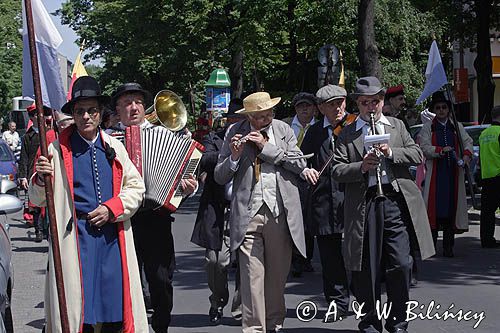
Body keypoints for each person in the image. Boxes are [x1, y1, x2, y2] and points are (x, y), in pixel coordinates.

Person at [28, 76, 148, 332]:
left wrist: (112, 208)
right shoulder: (54, 150)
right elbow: (36, 198)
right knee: (78, 313)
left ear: (100, 113)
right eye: (80, 111)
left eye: (91, 110)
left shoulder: (114, 147)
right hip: (74, 239)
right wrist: (40, 177)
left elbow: (136, 188)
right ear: (72, 114)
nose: (86, 117)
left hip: (111, 239)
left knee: (115, 309)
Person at [332, 77, 435, 333]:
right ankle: (370, 321)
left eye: (375, 102)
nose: (371, 107)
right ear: (358, 104)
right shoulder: (347, 132)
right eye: (365, 103)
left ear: (381, 101)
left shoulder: (397, 126)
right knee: (366, 268)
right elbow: (336, 170)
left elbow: (417, 154)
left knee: (401, 263)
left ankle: (398, 320)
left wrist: (391, 152)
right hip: (363, 204)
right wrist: (361, 167)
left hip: (393, 201)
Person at [214, 92, 307, 332]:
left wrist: (266, 148)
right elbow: (219, 175)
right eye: (259, 117)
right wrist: (233, 158)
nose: (266, 120)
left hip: (279, 211)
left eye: (269, 114)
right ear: (249, 116)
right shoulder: (234, 132)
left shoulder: (284, 130)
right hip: (248, 213)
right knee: (251, 277)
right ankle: (253, 328)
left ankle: (274, 324)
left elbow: (299, 164)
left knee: (276, 278)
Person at [112, 82, 197, 333]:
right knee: (125, 280)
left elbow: (185, 172)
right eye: (127, 103)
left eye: (138, 102)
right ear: (118, 110)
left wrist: (186, 186)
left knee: (161, 279)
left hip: (156, 218)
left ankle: (161, 326)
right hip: (123, 220)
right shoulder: (109, 139)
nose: (134, 107)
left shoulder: (165, 135)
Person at [301, 84, 356, 320]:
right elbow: (301, 161)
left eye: (341, 102)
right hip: (323, 200)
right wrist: (306, 171)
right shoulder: (313, 133)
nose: (338, 108)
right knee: (330, 257)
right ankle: (337, 303)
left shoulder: (355, 127)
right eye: (332, 104)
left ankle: (362, 298)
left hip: (351, 197)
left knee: (356, 252)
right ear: (321, 108)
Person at [190, 108, 243, 325]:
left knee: (247, 261)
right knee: (215, 261)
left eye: (241, 120)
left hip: (244, 209)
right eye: (233, 120)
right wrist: (231, 152)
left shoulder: (256, 138)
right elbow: (204, 158)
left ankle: (241, 309)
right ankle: (217, 301)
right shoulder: (215, 138)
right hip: (218, 209)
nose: (237, 124)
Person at [420, 91, 473, 257]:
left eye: (444, 107)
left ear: (449, 109)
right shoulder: (429, 127)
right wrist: (440, 150)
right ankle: (432, 246)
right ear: (434, 110)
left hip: (453, 174)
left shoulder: (456, 126)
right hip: (436, 175)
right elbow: (424, 147)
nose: (441, 110)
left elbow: (468, 142)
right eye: (438, 107)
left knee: (451, 210)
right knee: (434, 212)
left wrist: (465, 157)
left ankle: (449, 247)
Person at [282, 92, 317, 277]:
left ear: (314, 108)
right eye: (300, 106)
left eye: (308, 105)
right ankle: (293, 258)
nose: (304, 109)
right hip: (289, 177)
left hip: (311, 178)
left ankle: (305, 258)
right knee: (291, 219)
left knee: (308, 219)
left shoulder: (318, 127)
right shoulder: (285, 125)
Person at [18, 104, 52, 242]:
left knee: (49, 202)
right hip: (33, 172)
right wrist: (23, 177)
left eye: (42, 114)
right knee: (35, 205)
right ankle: (38, 231)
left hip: (48, 171)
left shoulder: (50, 133)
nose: (40, 117)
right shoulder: (28, 136)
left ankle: (47, 230)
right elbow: (24, 157)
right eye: (36, 114)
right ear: (32, 117)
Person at [479, 105, 500, 248]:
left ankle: (486, 240)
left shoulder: (484, 134)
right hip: (499, 174)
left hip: (487, 177)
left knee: (487, 212)